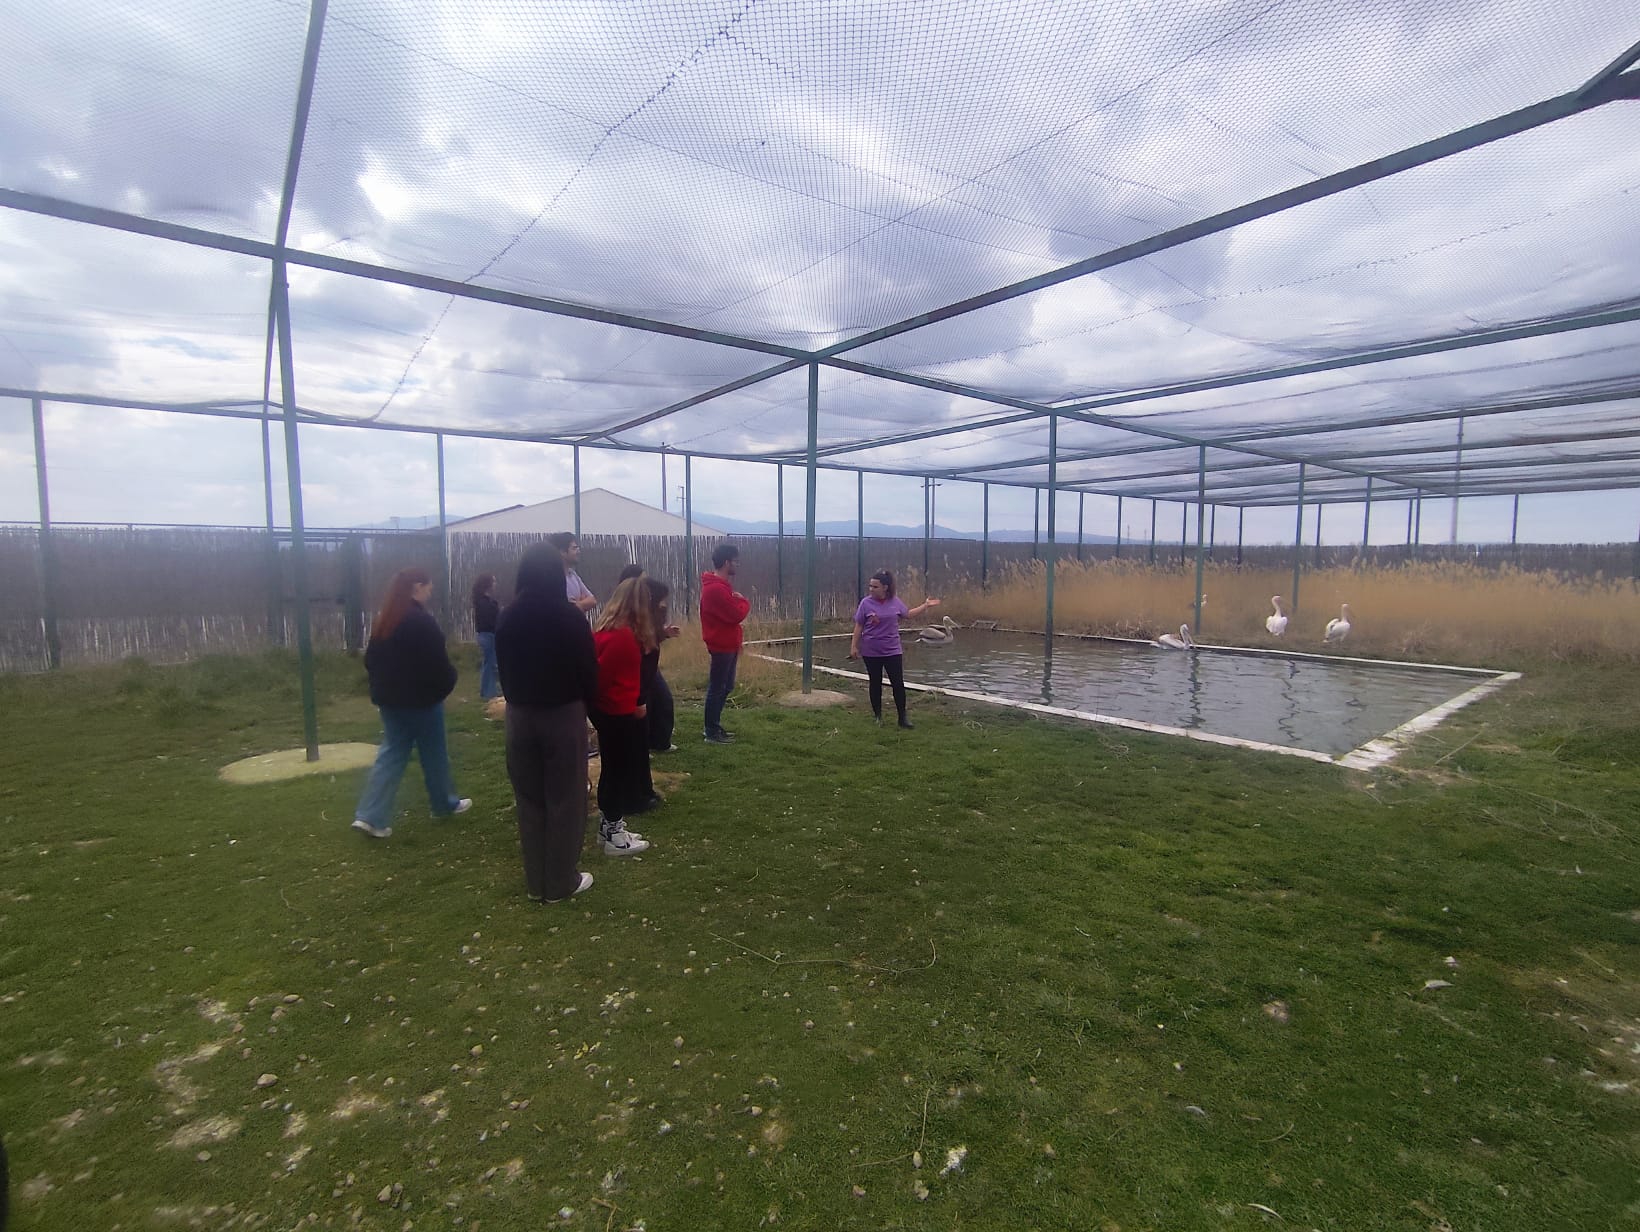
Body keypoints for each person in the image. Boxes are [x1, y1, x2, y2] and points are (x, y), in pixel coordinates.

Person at [495, 543, 600, 902]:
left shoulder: (507, 616)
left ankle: (535, 882)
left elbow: (503, 669)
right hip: (562, 715)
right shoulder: (568, 617)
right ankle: (560, 882)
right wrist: (590, 710)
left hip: (519, 716)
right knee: (565, 798)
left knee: (529, 799)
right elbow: (588, 671)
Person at [352, 568, 470, 838]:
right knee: (434, 754)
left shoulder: (385, 620)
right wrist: (447, 683)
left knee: (392, 753)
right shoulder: (422, 622)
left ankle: (369, 816)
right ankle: (443, 804)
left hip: (390, 702)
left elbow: (370, 661)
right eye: (428, 586)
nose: (430, 590)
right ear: (417, 587)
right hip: (422, 702)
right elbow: (438, 664)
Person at [590, 577, 656, 855]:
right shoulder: (623, 637)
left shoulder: (607, 631)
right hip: (615, 711)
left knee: (613, 769)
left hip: (612, 709)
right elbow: (601, 679)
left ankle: (609, 827)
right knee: (616, 771)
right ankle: (614, 836)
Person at [848, 570, 940, 730]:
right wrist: (854, 646)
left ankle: (902, 718)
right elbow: (859, 625)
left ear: (885, 587)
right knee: (875, 683)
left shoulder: (895, 601)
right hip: (871, 651)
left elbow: (908, 614)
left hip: (892, 650)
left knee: (897, 683)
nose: (871, 589)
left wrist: (925, 606)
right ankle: (878, 716)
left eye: (875, 586)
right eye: (870, 586)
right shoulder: (865, 603)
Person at [619, 563, 680, 755]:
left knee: (662, 699)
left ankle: (660, 741)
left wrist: (664, 633)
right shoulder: (627, 612)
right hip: (636, 667)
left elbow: (651, 638)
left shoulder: (649, 610)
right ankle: (641, 746)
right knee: (642, 705)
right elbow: (641, 641)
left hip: (648, 665)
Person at [699, 542, 751, 744]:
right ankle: (711, 731)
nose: (737, 565)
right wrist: (743, 601)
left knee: (726, 686)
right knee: (717, 687)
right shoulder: (716, 589)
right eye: (735, 561)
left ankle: (715, 726)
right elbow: (736, 614)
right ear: (727, 562)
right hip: (721, 645)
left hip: (728, 644)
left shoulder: (720, 587)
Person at [547, 531, 598, 614]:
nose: (578, 551)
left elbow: (592, 601)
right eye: (574, 548)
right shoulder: (551, 579)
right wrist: (582, 603)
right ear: (563, 552)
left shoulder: (573, 575)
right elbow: (560, 608)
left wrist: (577, 604)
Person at [471, 573, 501, 700]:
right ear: (487, 584)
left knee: (490, 663)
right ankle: (488, 692)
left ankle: (489, 690)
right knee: (490, 663)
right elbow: (489, 619)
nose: (495, 584)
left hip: (488, 634)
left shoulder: (485, 601)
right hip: (487, 634)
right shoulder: (483, 602)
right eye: (493, 581)